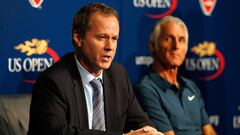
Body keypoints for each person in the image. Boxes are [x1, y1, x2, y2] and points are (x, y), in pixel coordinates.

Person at [27, 2, 163, 135]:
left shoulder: (118, 75)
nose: (110, 46)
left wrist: (150, 132)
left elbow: (140, 122)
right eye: (102, 37)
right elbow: (57, 132)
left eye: (114, 38)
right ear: (78, 38)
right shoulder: (54, 82)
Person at [134, 16, 217, 135]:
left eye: (182, 40)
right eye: (168, 39)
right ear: (152, 46)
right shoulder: (145, 89)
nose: (176, 46)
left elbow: (209, 131)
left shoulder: (191, 86)